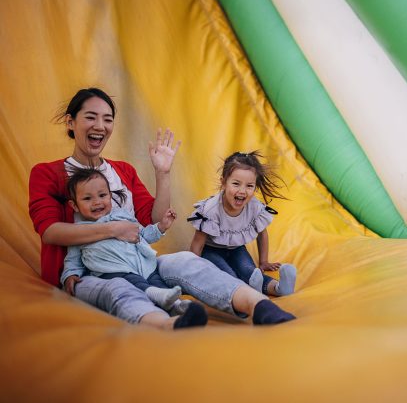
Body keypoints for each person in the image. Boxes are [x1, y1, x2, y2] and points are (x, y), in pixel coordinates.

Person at [29, 87, 295, 328]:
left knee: (188, 261)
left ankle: (258, 305)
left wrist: (163, 173)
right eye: (90, 117)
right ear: (71, 122)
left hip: (141, 263)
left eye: (108, 119)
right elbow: (50, 231)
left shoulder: (122, 171)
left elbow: (151, 220)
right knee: (120, 290)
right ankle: (169, 323)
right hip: (93, 273)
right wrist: (114, 229)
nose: (100, 125)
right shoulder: (47, 173)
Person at [62, 166, 194, 317]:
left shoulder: (122, 216)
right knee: (131, 282)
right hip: (111, 271)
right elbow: (72, 259)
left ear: (110, 196)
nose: (97, 202)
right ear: (74, 205)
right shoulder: (80, 231)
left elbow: (143, 234)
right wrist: (70, 275)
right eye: (87, 198)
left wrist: (161, 227)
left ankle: (175, 305)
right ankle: (158, 298)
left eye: (102, 195)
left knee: (156, 280)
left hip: (142, 266)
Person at [188, 151, 296, 297]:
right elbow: (197, 244)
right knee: (227, 275)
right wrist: (192, 271)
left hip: (236, 249)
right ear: (223, 183)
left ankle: (278, 288)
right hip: (210, 250)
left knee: (250, 272)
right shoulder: (211, 210)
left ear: (255, 187)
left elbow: (262, 234)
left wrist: (263, 261)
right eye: (236, 184)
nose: (242, 191)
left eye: (249, 186)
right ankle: (248, 293)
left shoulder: (254, 206)